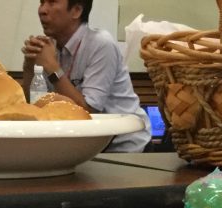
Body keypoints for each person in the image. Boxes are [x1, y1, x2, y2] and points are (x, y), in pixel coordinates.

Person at [20, 0, 150, 153]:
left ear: (76, 11)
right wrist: (29, 66)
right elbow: (34, 103)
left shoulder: (101, 43)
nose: (42, 10)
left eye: (52, 2)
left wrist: (52, 68)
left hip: (123, 147)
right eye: (42, 2)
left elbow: (88, 112)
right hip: (83, 145)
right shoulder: (50, 46)